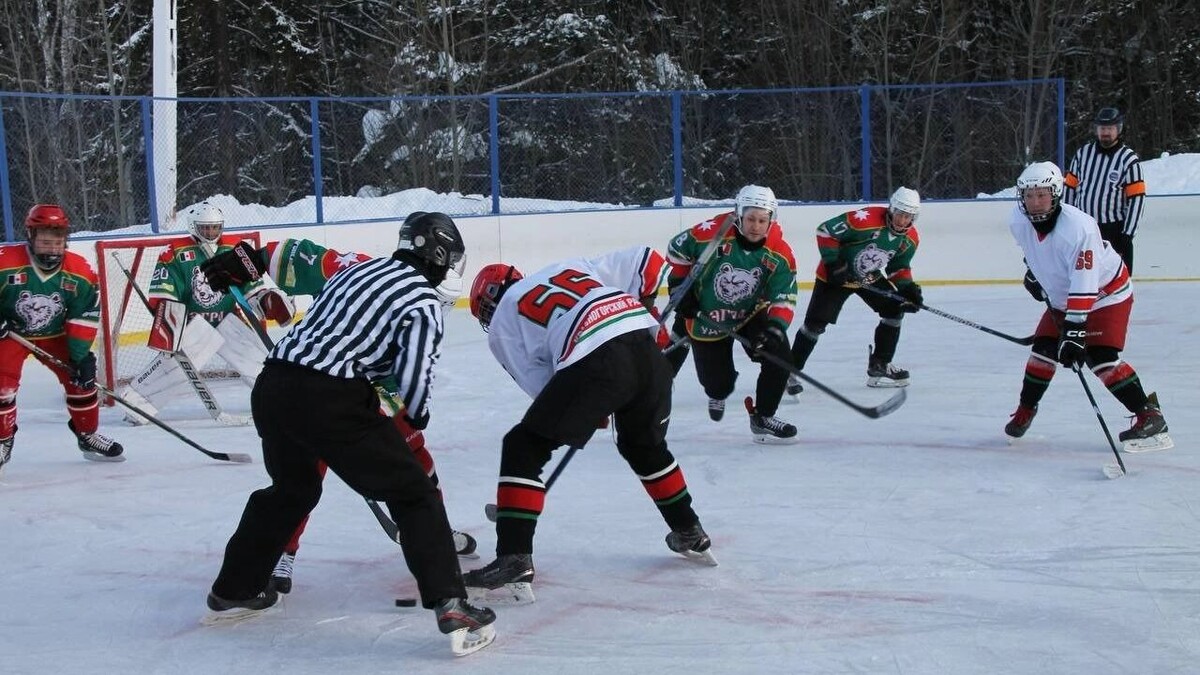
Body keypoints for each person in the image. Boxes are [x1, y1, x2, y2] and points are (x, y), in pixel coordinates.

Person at [197, 212, 495, 656]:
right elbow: (413, 385)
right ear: (438, 254)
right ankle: (453, 605)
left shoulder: (357, 268)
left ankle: (234, 590)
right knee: (414, 495)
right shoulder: (423, 302)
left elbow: (287, 257)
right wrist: (415, 418)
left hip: (273, 385)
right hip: (331, 397)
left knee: (290, 491)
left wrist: (240, 262)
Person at [462, 246, 715, 605]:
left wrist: (591, 408)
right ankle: (689, 529)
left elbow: (541, 386)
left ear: (489, 304)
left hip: (596, 360)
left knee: (524, 446)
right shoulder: (568, 264)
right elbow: (648, 260)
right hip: (647, 352)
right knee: (643, 445)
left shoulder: (503, 321)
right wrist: (643, 310)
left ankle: (513, 557)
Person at [249, 229, 476, 595]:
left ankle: (433, 528)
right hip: (324, 375)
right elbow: (291, 255)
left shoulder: (420, 309)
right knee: (306, 469)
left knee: (414, 453)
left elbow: (405, 379)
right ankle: (281, 551)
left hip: (362, 382)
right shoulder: (362, 269)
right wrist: (248, 276)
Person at [1005, 161, 1171, 452]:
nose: (1034, 202)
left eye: (1041, 194)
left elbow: (1085, 282)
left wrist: (1074, 331)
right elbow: (1035, 252)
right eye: (1029, 196)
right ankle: (1025, 410)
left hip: (1106, 293)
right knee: (1043, 350)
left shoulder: (1079, 228)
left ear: (1056, 193)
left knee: (1100, 356)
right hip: (1064, 296)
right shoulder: (1018, 222)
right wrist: (1034, 273)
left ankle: (1150, 416)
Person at [119, 202, 284, 424]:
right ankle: (136, 404)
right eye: (205, 228)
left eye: (215, 228)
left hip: (227, 319)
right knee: (174, 369)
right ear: (193, 227)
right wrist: (171, 322)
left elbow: (250, 287)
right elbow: (164, 292)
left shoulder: (233, 251)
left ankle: (279, 401)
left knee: (257, 362)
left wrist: (265, 299)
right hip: (194, 324)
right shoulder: (175, 252)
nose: (211, 233)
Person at [665, 184, 799, 443]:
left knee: (780, 357)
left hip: (751, 313)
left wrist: (775, 327)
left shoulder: (780, 252)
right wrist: (680, 290)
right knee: (719, 385)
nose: (755, 226)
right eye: (750, 218)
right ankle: (718, 392)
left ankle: (763, 417)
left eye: (762, 220)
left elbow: (785, 294)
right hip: (707, 315)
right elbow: (676, 250)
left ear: (771, 220)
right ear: (739, 215)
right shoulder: (710, 234)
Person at [0, 204, 124, 475]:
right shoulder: (4, 261)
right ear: (30, 236)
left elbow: (84, 313)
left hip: (57, 335)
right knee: (2, 387)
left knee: (82, 382)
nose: (52, 249)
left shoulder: (79, 271)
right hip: (11, 335)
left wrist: (81, 356)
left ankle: (87, 434)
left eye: (57, 243)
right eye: (45, 242)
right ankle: (3, 438)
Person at [786, 187, 923, 395]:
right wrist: (834, 263)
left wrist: (908, 289)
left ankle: (880, 364)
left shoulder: (910, 239)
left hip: (869, 276)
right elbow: (825, 231)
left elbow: (899, 266)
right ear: (891, 209)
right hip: (835, 277)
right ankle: (788, 371)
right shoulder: (864, 220)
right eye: (899, 214)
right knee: (814, 325)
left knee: (895, 310)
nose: (902, 221)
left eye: (908, 216)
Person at [1063, 107, 1145, 272]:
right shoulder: (1082, 154)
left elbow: (1137, 199)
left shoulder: (1129, 159)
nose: (1105, 132)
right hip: (1084, 229)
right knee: (1082, 277)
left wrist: (1127, 235)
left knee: (1116, 282)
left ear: (1118, 129)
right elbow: (1070, 190)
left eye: (1110, 128)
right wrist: (1067, 222)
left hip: (1114, 230)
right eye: (1102, 128)